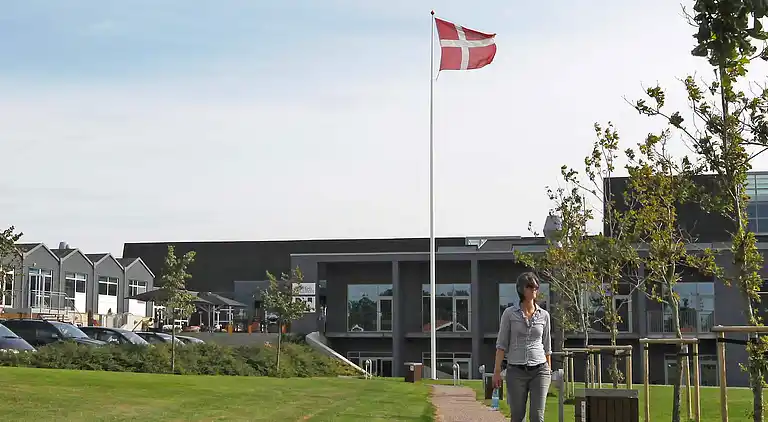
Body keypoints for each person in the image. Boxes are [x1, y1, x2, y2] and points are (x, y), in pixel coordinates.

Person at [493, 271, 552, 422]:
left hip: (540, 370)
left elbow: (547, 345)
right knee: (518, 416)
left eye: (536, 287)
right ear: (521, 289)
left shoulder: (544, 315)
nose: (534, 290)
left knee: (537, 417)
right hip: (516, 371)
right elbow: (501, 345)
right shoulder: (509, 314)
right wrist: (497, 371)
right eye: (530, 287)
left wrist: (549, 370)